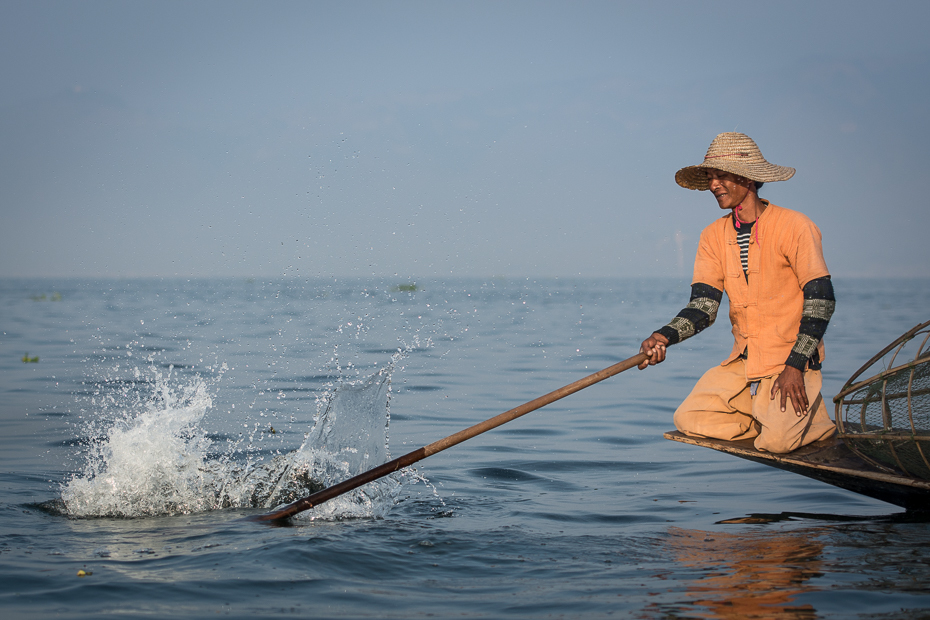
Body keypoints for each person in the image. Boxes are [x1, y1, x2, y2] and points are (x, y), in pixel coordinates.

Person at [639, 132, 836, 453]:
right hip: (746, 359)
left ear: (749, 179)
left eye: (722, 176)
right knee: (689, 418)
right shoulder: (713, 235)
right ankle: (767, 414)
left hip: (790, 361)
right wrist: (664, 336)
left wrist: (795, 366)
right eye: (711, 177)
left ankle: (810, 421)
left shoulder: (795, 226)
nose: (714, 185)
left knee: (777, 444)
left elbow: (821, 301)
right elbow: (704, 307)